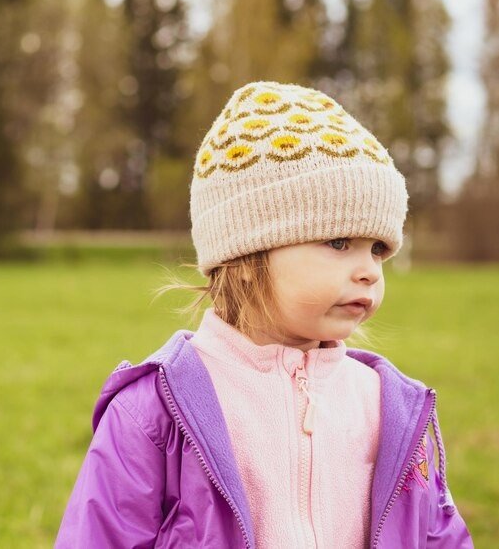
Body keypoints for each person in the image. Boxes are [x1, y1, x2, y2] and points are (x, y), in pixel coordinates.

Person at [54, 81, 473, 548]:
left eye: (378, 249)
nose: (369, 272)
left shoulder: (389, 410)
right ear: (247, 259)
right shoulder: (155, 413)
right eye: (338, 243)